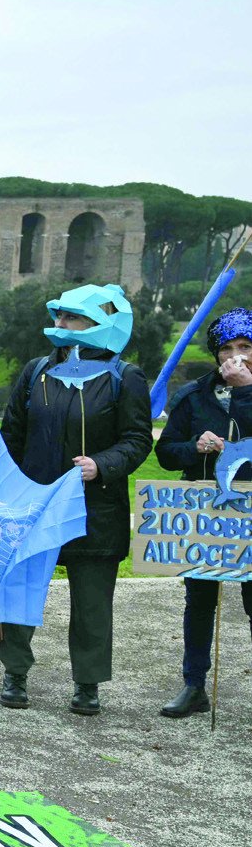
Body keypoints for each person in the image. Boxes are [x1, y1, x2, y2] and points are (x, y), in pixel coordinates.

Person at [0, 284, 152, 715]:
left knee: (92, 602)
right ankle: (15, 672)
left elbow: (138, 439)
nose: (60, 325)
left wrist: (101, 464)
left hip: (96, 508)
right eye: (59, 316)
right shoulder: (36, 371)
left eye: (71, 318)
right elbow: (12, 434)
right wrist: (9, 488)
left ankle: (88, 683)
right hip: (36, 504)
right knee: (22, 591)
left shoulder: (126, 377)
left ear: (99, 324)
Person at [155, 307, 252, 719]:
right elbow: (164, 453)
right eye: (228, 348)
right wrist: (195, 446)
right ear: (215, 354)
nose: (236, 356)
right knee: (199, 601)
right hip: (207, 514)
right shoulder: (193, 395)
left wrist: (246, 391)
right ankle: (195, 685)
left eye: (246, 347)